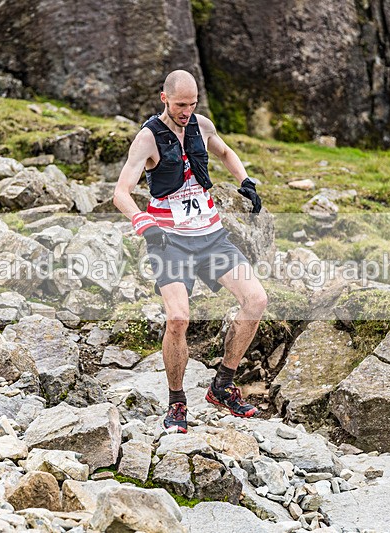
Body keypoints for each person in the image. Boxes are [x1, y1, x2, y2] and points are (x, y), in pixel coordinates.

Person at [113, 69, 268, 433]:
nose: (186, 112)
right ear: (164, 98)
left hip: (211, 235)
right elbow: (120, 193)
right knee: (178, 318)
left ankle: (223, 385)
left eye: (192, 104)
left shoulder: (202, 126)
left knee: (256, 300)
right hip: (170, 240)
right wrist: (143, 223)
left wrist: (245, 181)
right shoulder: (148, 138)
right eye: (180, 105)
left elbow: (226, 152)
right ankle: (177, 402)